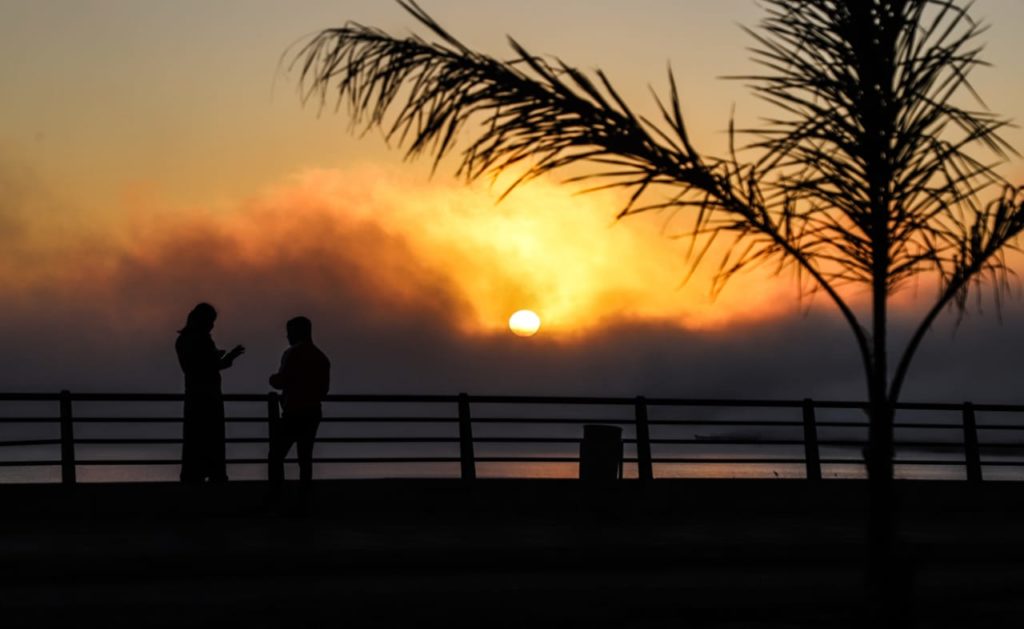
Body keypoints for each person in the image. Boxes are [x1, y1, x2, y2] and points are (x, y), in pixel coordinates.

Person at [175, 303, 245, 483]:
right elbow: (205, 366)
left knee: (195, 440)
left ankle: (194, 475)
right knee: (212, 439)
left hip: (195, 396)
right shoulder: (201, 340)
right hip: (208, 397)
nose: (212, 326)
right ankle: (214, 475)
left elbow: (195, 366)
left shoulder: (184, 340)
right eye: (210, 321)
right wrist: (225, 358)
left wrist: (223, 358)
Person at [268, 316, 330, 484]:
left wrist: (272, 379)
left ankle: (276, 494)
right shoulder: (321, 357)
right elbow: (324, 391)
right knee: (305, 458)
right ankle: (304, 498)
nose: (287, 337)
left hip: (294, 412)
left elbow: (280, 381)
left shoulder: (292, 353)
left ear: (296, 333)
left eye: (289, 333)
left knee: (276, 454)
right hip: (313, 412)